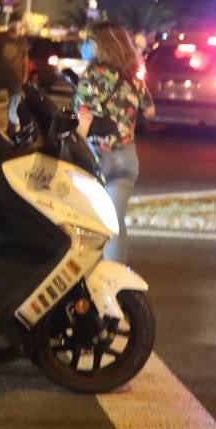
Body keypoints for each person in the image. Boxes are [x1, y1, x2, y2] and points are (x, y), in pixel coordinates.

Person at [74, 21, 154, 262]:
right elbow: (150, 111)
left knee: (88, 223)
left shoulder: (91, 76)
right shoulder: (134, 76)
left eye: (91, 41)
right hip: (127, 158)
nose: (88, 45)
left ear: (102, 45)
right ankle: (118, 280)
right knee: (115, 222)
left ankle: (92, 279)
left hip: (97, 158)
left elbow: (83, 122)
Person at [0, 21, 29, 133]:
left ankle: (11, 129)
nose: (16, 27)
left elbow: (24, 58)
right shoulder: (1, 36)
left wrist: (25, 75)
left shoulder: (22, 40)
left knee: (14, 102)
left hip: (14, 77)